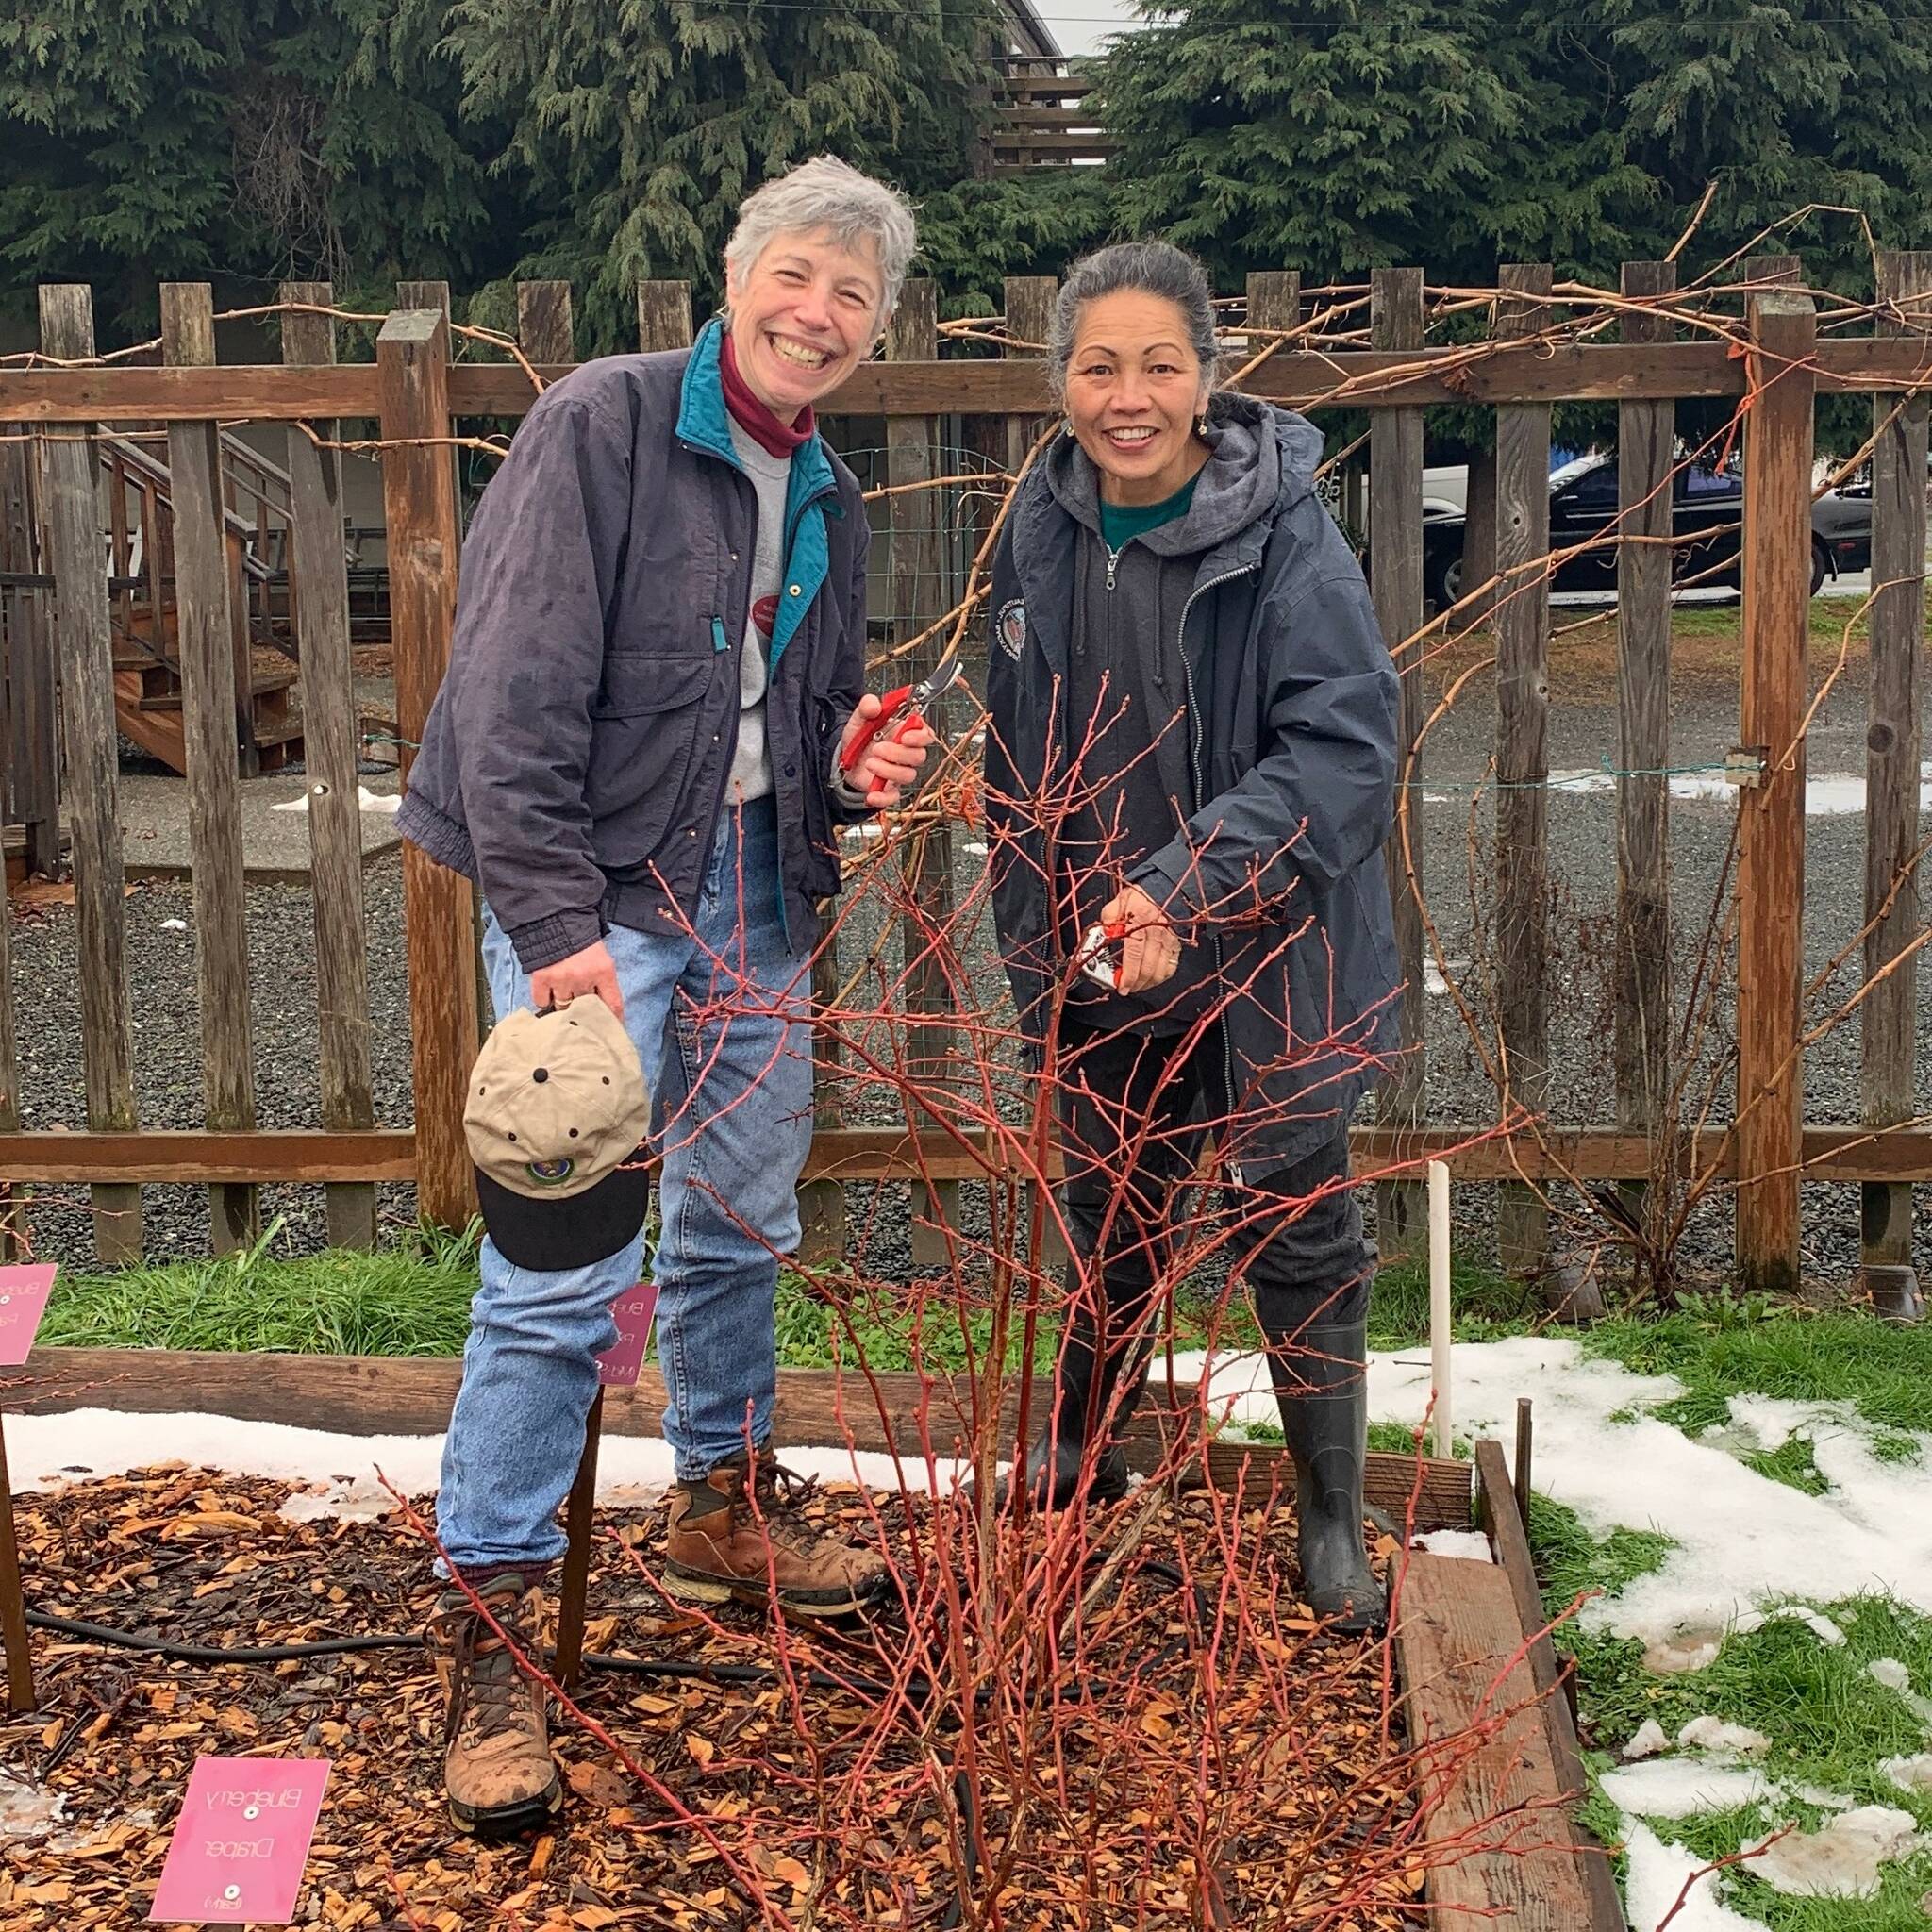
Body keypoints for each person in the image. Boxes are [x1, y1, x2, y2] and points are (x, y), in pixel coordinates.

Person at [396, 155, 933, 1836]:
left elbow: (802, 721)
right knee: (559, 1275)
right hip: (603, 905)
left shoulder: (829, 487)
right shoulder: (608, 426)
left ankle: (717, 1503)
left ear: (879, 326)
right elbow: (509, 690)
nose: (819, 314)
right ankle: (488, 1624)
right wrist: (554, 927)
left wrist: (859, 767)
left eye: (855, 296)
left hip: (764, 894)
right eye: (797, 275)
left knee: (738, 1220)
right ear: (734, 276)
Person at [982, 241, 1400, 1634]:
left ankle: (1331, 1516)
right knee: (1112, 1216)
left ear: (1210, 381)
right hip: (1114, 953)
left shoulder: (1287, 533)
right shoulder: (1039, 525)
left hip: (1268, 942)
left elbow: (1340, 751)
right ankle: (1082, 1450)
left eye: (1160, 362)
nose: (1129, 393)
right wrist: (1042, 940)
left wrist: (1188, 887)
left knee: (1292, 1221)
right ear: (1060, 383)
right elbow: (1018, 752)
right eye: (1099, 364)